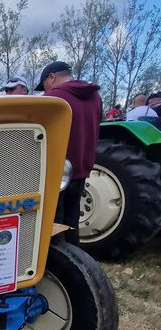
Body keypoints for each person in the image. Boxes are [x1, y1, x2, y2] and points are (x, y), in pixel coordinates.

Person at [35, 61, 102, 246]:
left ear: (52, 77)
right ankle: (76, 257)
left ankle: (57, 264)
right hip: (81, 169)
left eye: (44, 85)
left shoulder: (53, 98)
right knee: (72, 221)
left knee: (54, 224)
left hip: (57, 173)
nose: (44, 90)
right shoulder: (95, 96)